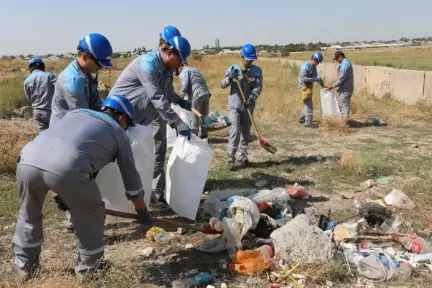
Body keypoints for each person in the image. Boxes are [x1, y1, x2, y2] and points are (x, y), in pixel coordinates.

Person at [12, 95, 152, 280]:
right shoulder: (118, 131)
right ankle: (89, 270)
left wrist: (58, 192)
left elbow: (56, 149)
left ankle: (24, 267)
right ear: (122, 118)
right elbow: (131, 178)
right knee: (91, 214)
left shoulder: (76, 114)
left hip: (27, 160)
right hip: (66, 168)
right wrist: (141, 211)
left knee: (28, 214)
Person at [109, 34, 192, 206]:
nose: (181, 65)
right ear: (170, 54)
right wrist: (177, 122)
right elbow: (156, 96)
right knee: (117, 155)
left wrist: (180, 101)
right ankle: (112, 196)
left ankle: (152, 191)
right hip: (121, 117)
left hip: (144, 117)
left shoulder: (167, 69)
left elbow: (166, 93)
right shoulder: (147, 64)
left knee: (151, 151)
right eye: (180, 60)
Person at [49, 33, 113, 231]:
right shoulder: (73, 80)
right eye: (99, 63)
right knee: (76, 176)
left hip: (77, 131)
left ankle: (76, 216)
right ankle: (76, 218)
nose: (101, 67)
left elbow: (95, 104)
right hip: (67, 135)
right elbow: (83, 119)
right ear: (85, 56)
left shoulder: (87, 74)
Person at [220, 44, 263, 170]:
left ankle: (242, 158)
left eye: (252, 60)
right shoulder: (233, 68)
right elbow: (222, 85)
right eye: (248, 60)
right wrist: (229, 77)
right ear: (242, 57)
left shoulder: (257, 71)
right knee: (234, 131)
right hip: (235, 106)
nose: (250, 62)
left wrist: (251, 98)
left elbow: (258, 87)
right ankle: (230, 158)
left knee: (245, 133)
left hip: (248, 106)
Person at [175, 66, 211, 138]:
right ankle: (204, 135)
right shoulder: (194, 69)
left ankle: (194, 137)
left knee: (194, 117)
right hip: (206, 93)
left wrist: (178, 99)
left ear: (178, 68)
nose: (178, 75)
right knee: (204, 116)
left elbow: (185, 85)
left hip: (196, 94)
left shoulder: (183, 72)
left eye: (177, 73)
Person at [23, 58, 57, 132]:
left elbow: (28, 97)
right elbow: (60, 90)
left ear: (30, 68)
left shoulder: (27, 81)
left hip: (37, 112)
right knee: (55, 134)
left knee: (43, 136)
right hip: (51, 111)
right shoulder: (49, 76)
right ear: (43, 67)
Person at [326, 50, 354, 124]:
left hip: (346, 90)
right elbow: (339, 78)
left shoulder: (345, 65)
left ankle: (344, 123)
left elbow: (341, 79)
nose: (336, 61)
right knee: (342, 104)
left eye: (336, 58)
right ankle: (344, 121)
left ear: (340, 56)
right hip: (344, 89)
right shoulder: (344, 63)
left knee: (344, 105)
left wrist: (332, 86)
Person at [298, 52, 325, 128]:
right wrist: (314, 79)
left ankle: (302, 118)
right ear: (314, 59)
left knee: (306, 104)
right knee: (309, 106)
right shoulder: (305, 66)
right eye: (317, 62)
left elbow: (318, 79)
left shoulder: (314, 68)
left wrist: (324, 85)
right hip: (304, 88)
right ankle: (308, 123)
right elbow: (303, 79)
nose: (317, 64)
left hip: (309, 88)